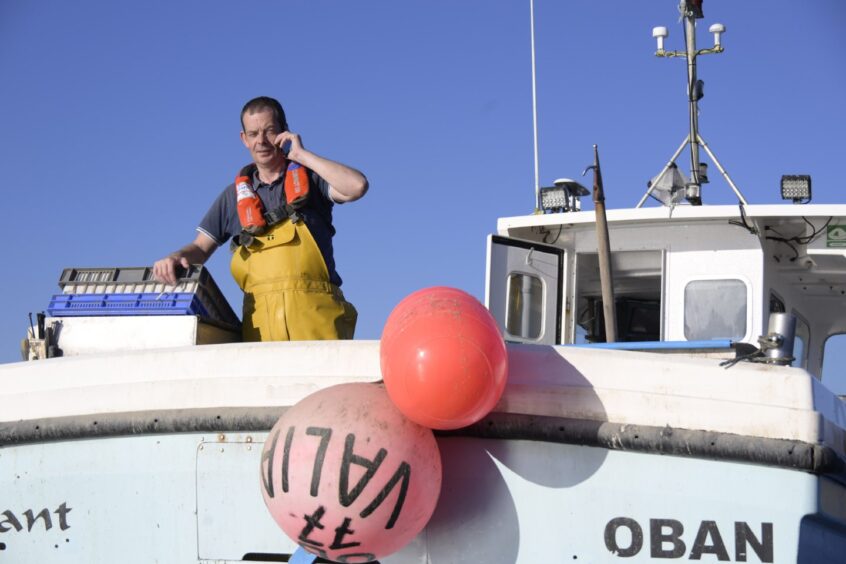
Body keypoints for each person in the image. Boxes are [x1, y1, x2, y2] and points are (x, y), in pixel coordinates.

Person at [153, 96, 367, 341]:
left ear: (284, 132)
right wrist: (174, 257)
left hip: (320, 327)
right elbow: (200, 248)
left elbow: (357, 186)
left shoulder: (313, 181)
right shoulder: (231, 197)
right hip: (260, 332)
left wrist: (302, 155)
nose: (261, 141)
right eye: (253, 134)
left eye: (269, 131)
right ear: (244, 139)